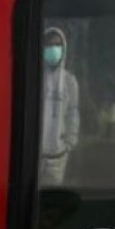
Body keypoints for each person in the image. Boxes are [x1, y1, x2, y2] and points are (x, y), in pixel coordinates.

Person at [41, 27, 80, 185]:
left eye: (57, 45)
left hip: (58, 157)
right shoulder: (35, 77)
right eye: (49, 45)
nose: (53, 49)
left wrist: (69, 142)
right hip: (34, 158)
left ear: (63, 49)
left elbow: (73, 113)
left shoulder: (70, 81)